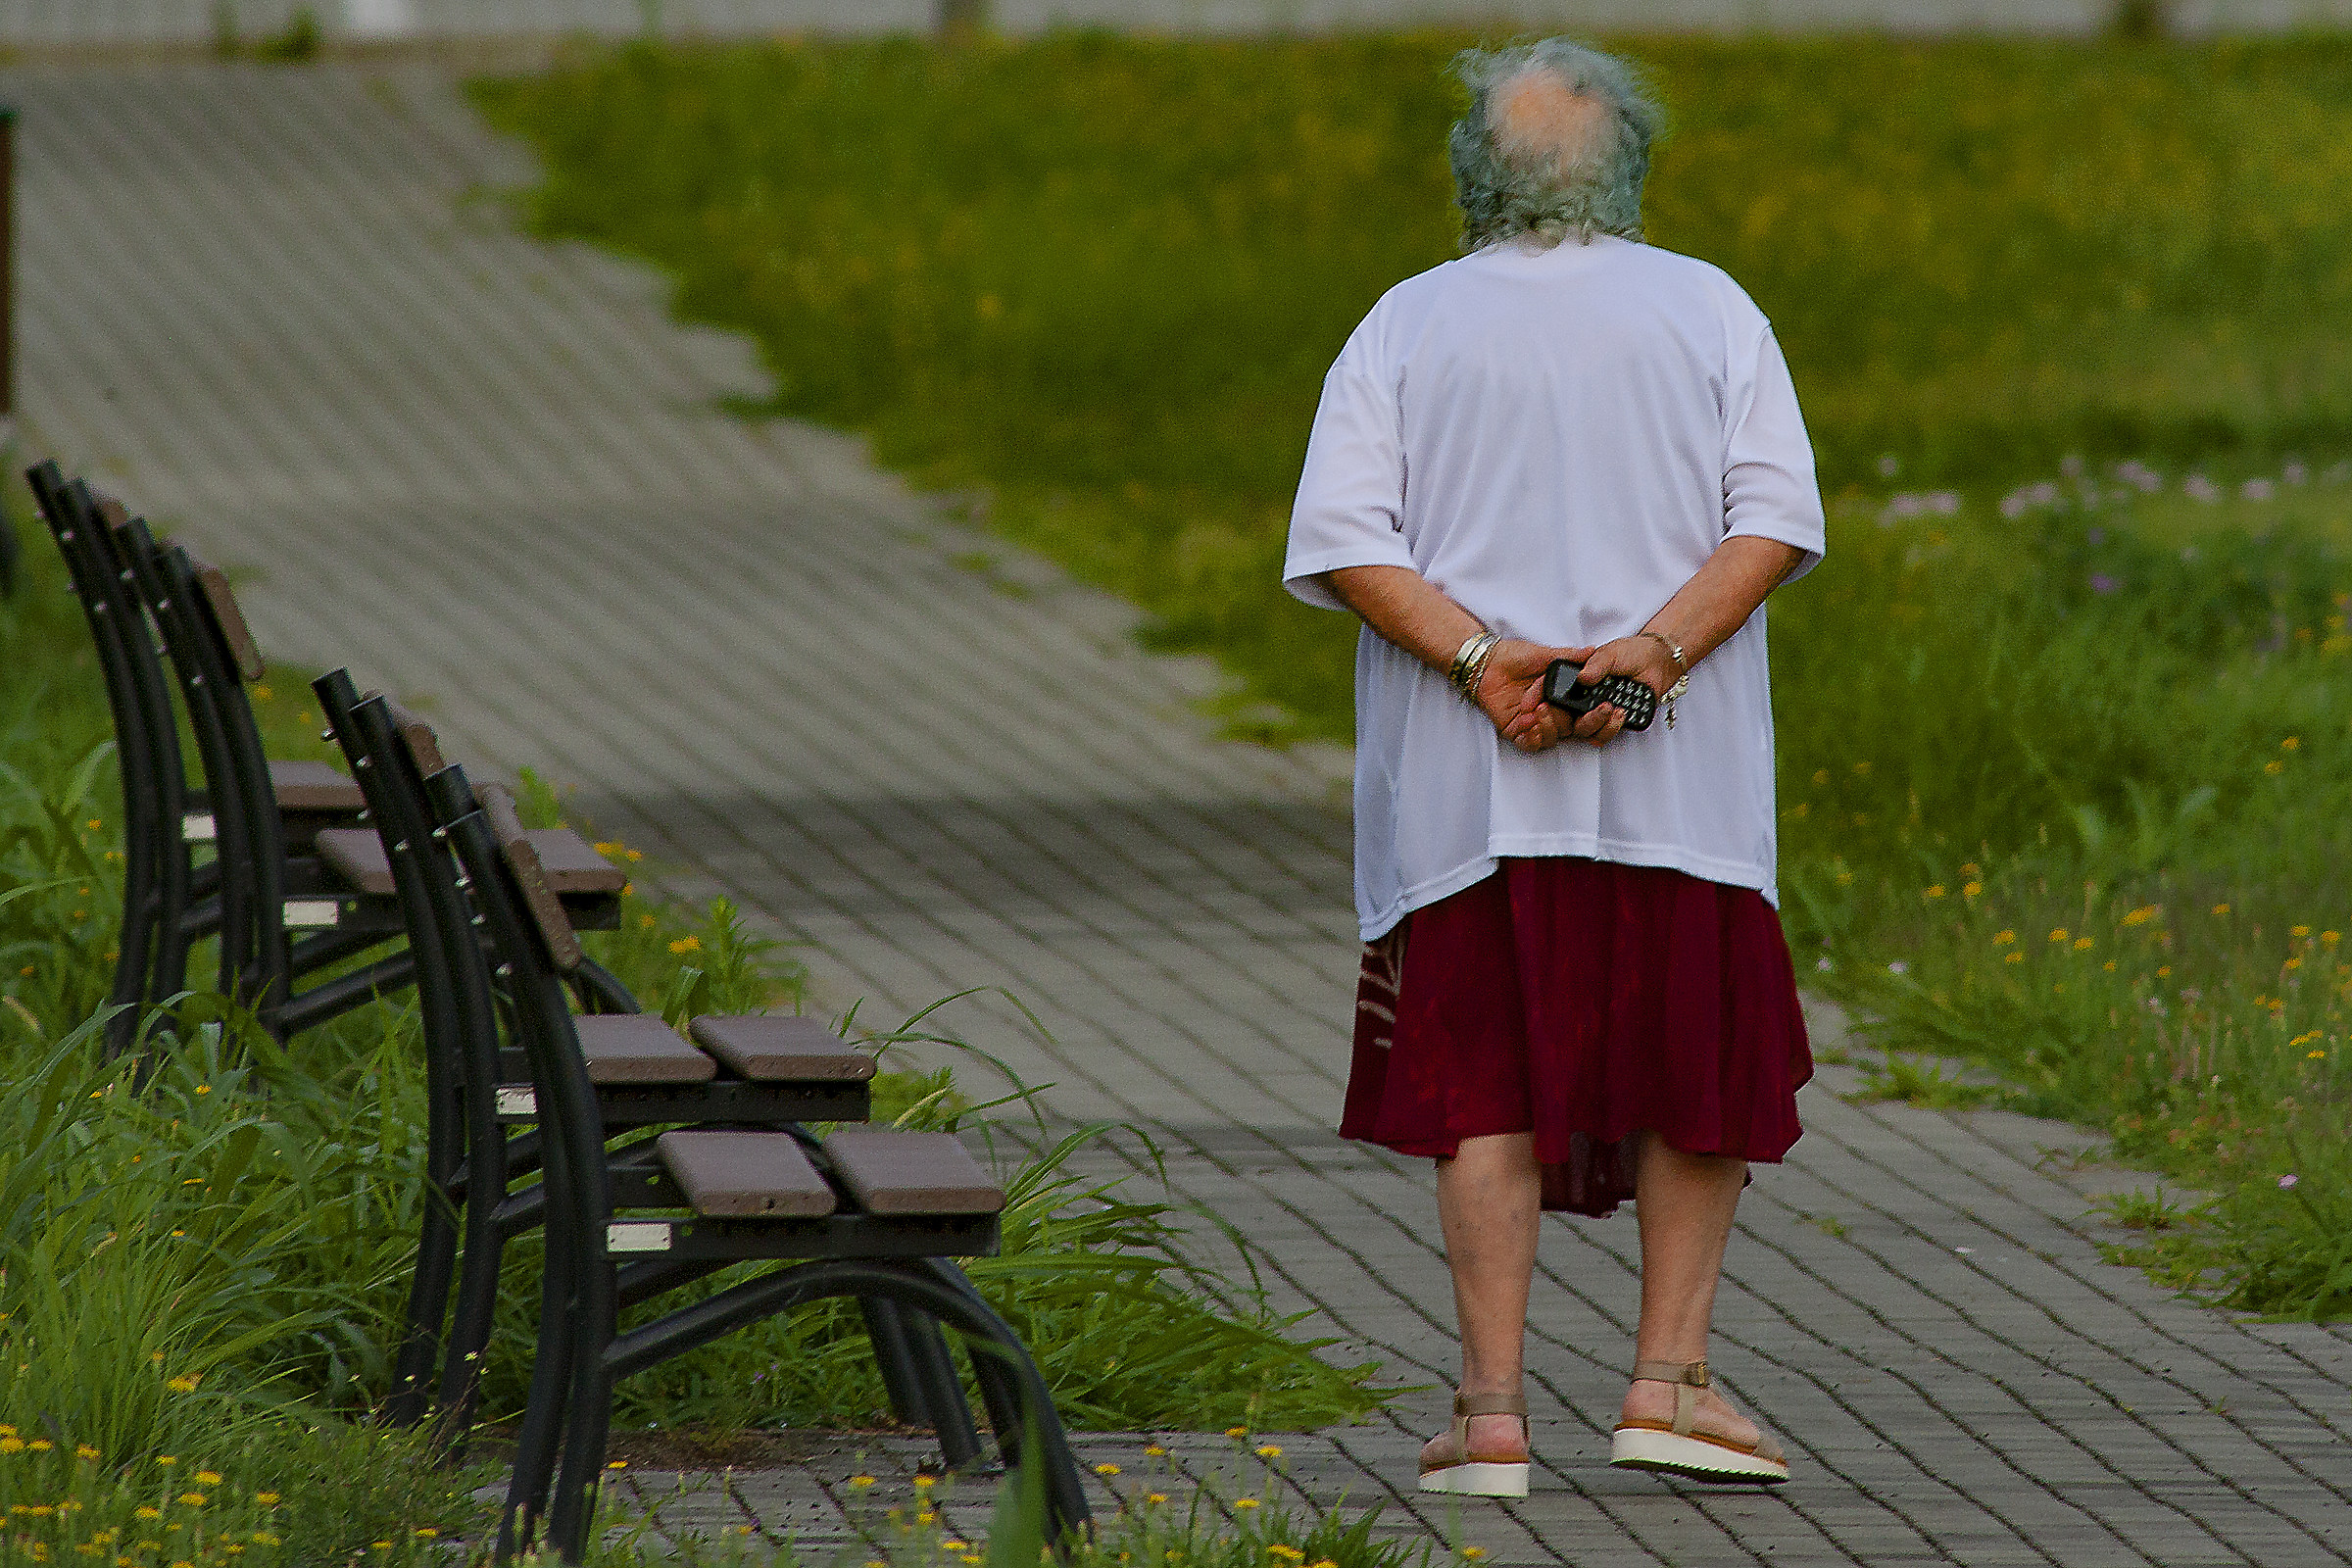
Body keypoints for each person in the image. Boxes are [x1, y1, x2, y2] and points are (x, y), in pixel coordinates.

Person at [1282, 37, 1825, 1496]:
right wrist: (1653, 655)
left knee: (1482, 1084)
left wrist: (1478, 661)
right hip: (1681, 785)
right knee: (1694, 1072)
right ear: (1634, 161)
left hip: (1471, 795)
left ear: (1471, 171)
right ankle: (1670, 1384)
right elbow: (1771, 517)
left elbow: (1344, 537)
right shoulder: (1712, 310)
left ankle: (1492, 1411)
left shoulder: (1405, 324)